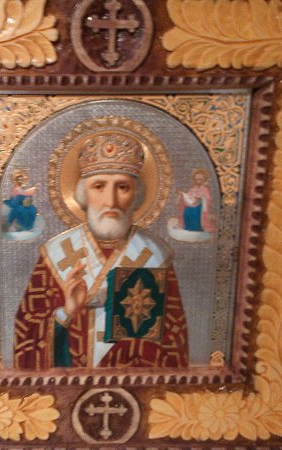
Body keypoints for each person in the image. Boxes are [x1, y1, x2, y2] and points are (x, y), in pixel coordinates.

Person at [14, 132, 188, 369]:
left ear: (136, 194)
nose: (111, 201)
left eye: (123, 187)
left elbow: (173, 341)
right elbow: (28, 336)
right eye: (99, 186)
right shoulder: (55, 254)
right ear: (82, 194)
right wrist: (66, 313)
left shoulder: (156, 255)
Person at [177, 169, 213, 233]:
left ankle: (197, 227)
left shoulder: (205, 189)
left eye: (200, 179)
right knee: (187, 211)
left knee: (194, 212)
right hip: (191, 206)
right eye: (196, 180)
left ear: (203, 180)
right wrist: (182, 195)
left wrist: (201, 198)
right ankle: (187, 227)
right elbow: (188, 197)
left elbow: (207, 199)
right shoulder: (192, 189)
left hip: (200, 208)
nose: (198, 181)